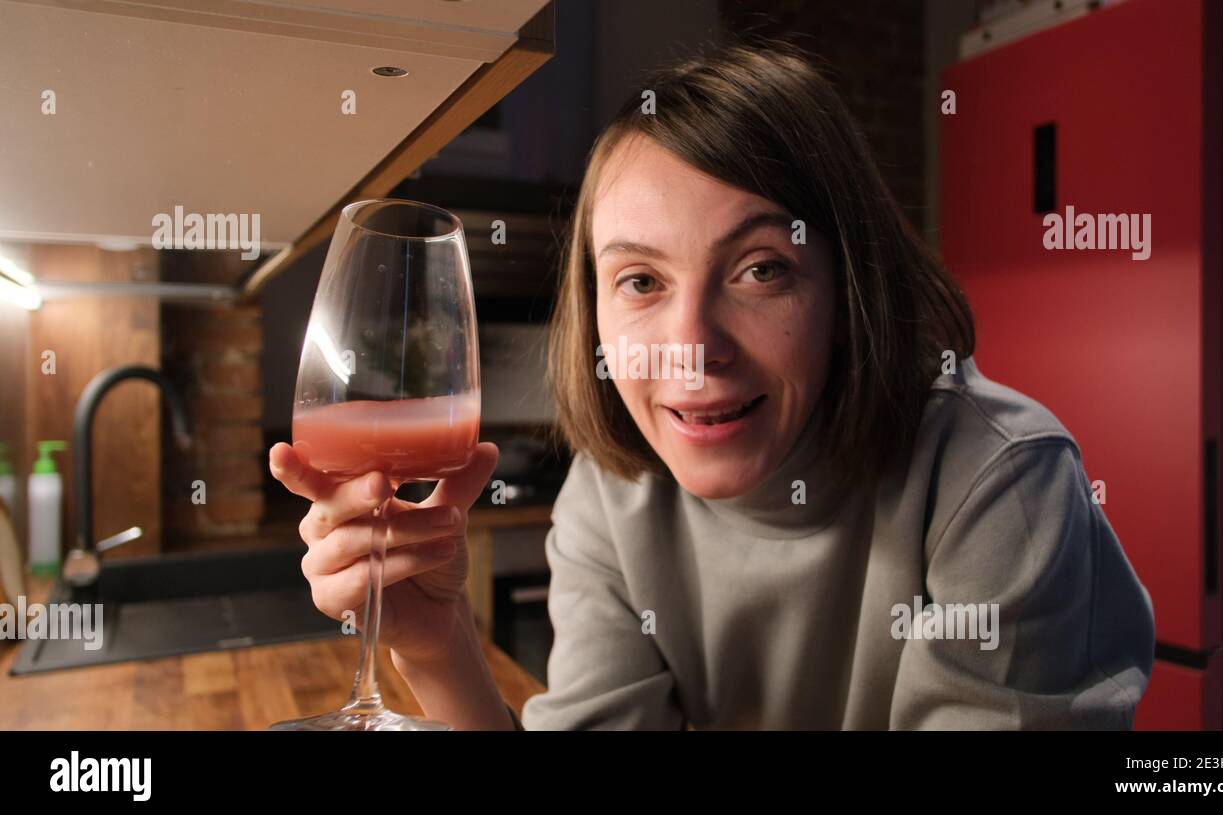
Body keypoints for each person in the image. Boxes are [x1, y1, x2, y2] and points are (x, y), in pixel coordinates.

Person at [269, 41, 1155, 730]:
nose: (689, 350)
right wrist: (435, 640)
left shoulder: (996, 486)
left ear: (851, 287)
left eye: (761, 269)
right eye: (642, 282)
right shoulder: (610, 499)